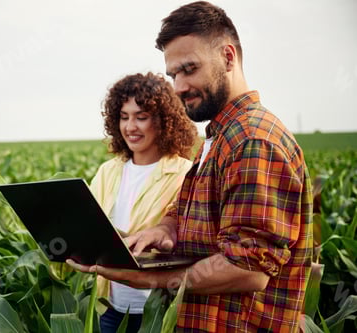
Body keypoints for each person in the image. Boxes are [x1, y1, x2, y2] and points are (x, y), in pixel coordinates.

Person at [68, 2, 313, 332]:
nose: (179, 86)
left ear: (228, 57)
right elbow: (186, 209)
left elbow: (247, 269)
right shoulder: (219, 136)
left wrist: (148, 277)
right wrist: (166, 228)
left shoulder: (252, 141)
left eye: (189, 68)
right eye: (174, 74)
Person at [89, 72, 198, 332]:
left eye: (141, 117)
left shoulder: (185, 172)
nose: (130, 127)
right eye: (124, 117)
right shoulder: (108, 171)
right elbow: (90, 226)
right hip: (110, 309)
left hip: (159, 310)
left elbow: (190, 238)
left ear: (163, 122)